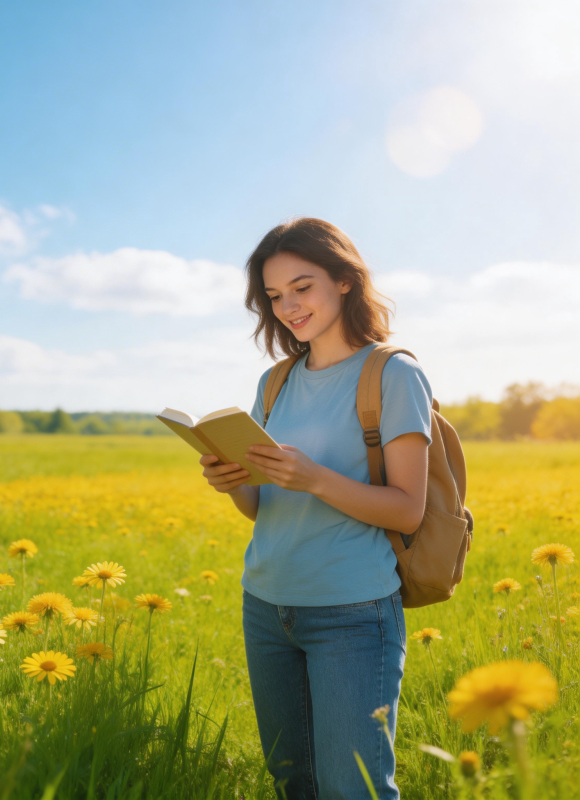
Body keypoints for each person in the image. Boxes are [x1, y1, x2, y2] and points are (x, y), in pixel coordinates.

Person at [200, 218, 433, 799]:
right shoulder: (275, 381)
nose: (288, 306)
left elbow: (407, 510)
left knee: (352, 789)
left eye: (302, 287)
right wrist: (231, 480)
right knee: (293, 782)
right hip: (267, 605)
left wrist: (314, 478)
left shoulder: (393, 374)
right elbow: (261, 508)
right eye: (275, 296)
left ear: (345, 281)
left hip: (352, 614)